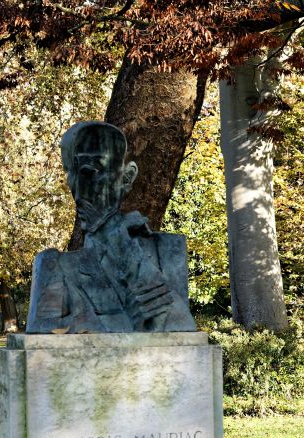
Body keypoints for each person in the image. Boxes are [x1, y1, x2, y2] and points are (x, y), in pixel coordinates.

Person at [26, 121, 196, 333]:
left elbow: (179, 326)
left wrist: (115, 237)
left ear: (126, 178)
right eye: (70, 172)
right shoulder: (53, 266)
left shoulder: (167, 250)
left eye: (89, 171)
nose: (75, 187)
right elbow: (44, 334)